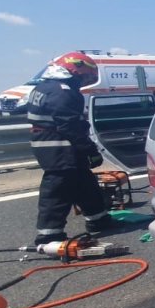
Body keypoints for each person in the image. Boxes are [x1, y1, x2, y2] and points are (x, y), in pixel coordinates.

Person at [28, 51, 113, 245]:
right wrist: (89, 149)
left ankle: (98, 220)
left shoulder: (43, 88)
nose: (84, 82)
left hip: (51, 146)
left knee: (84, 183)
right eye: (86, 77)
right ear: (76, 71)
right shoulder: (62, 92)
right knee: (57, 190)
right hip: (60, 148)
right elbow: (70, 125)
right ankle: (49, 234)